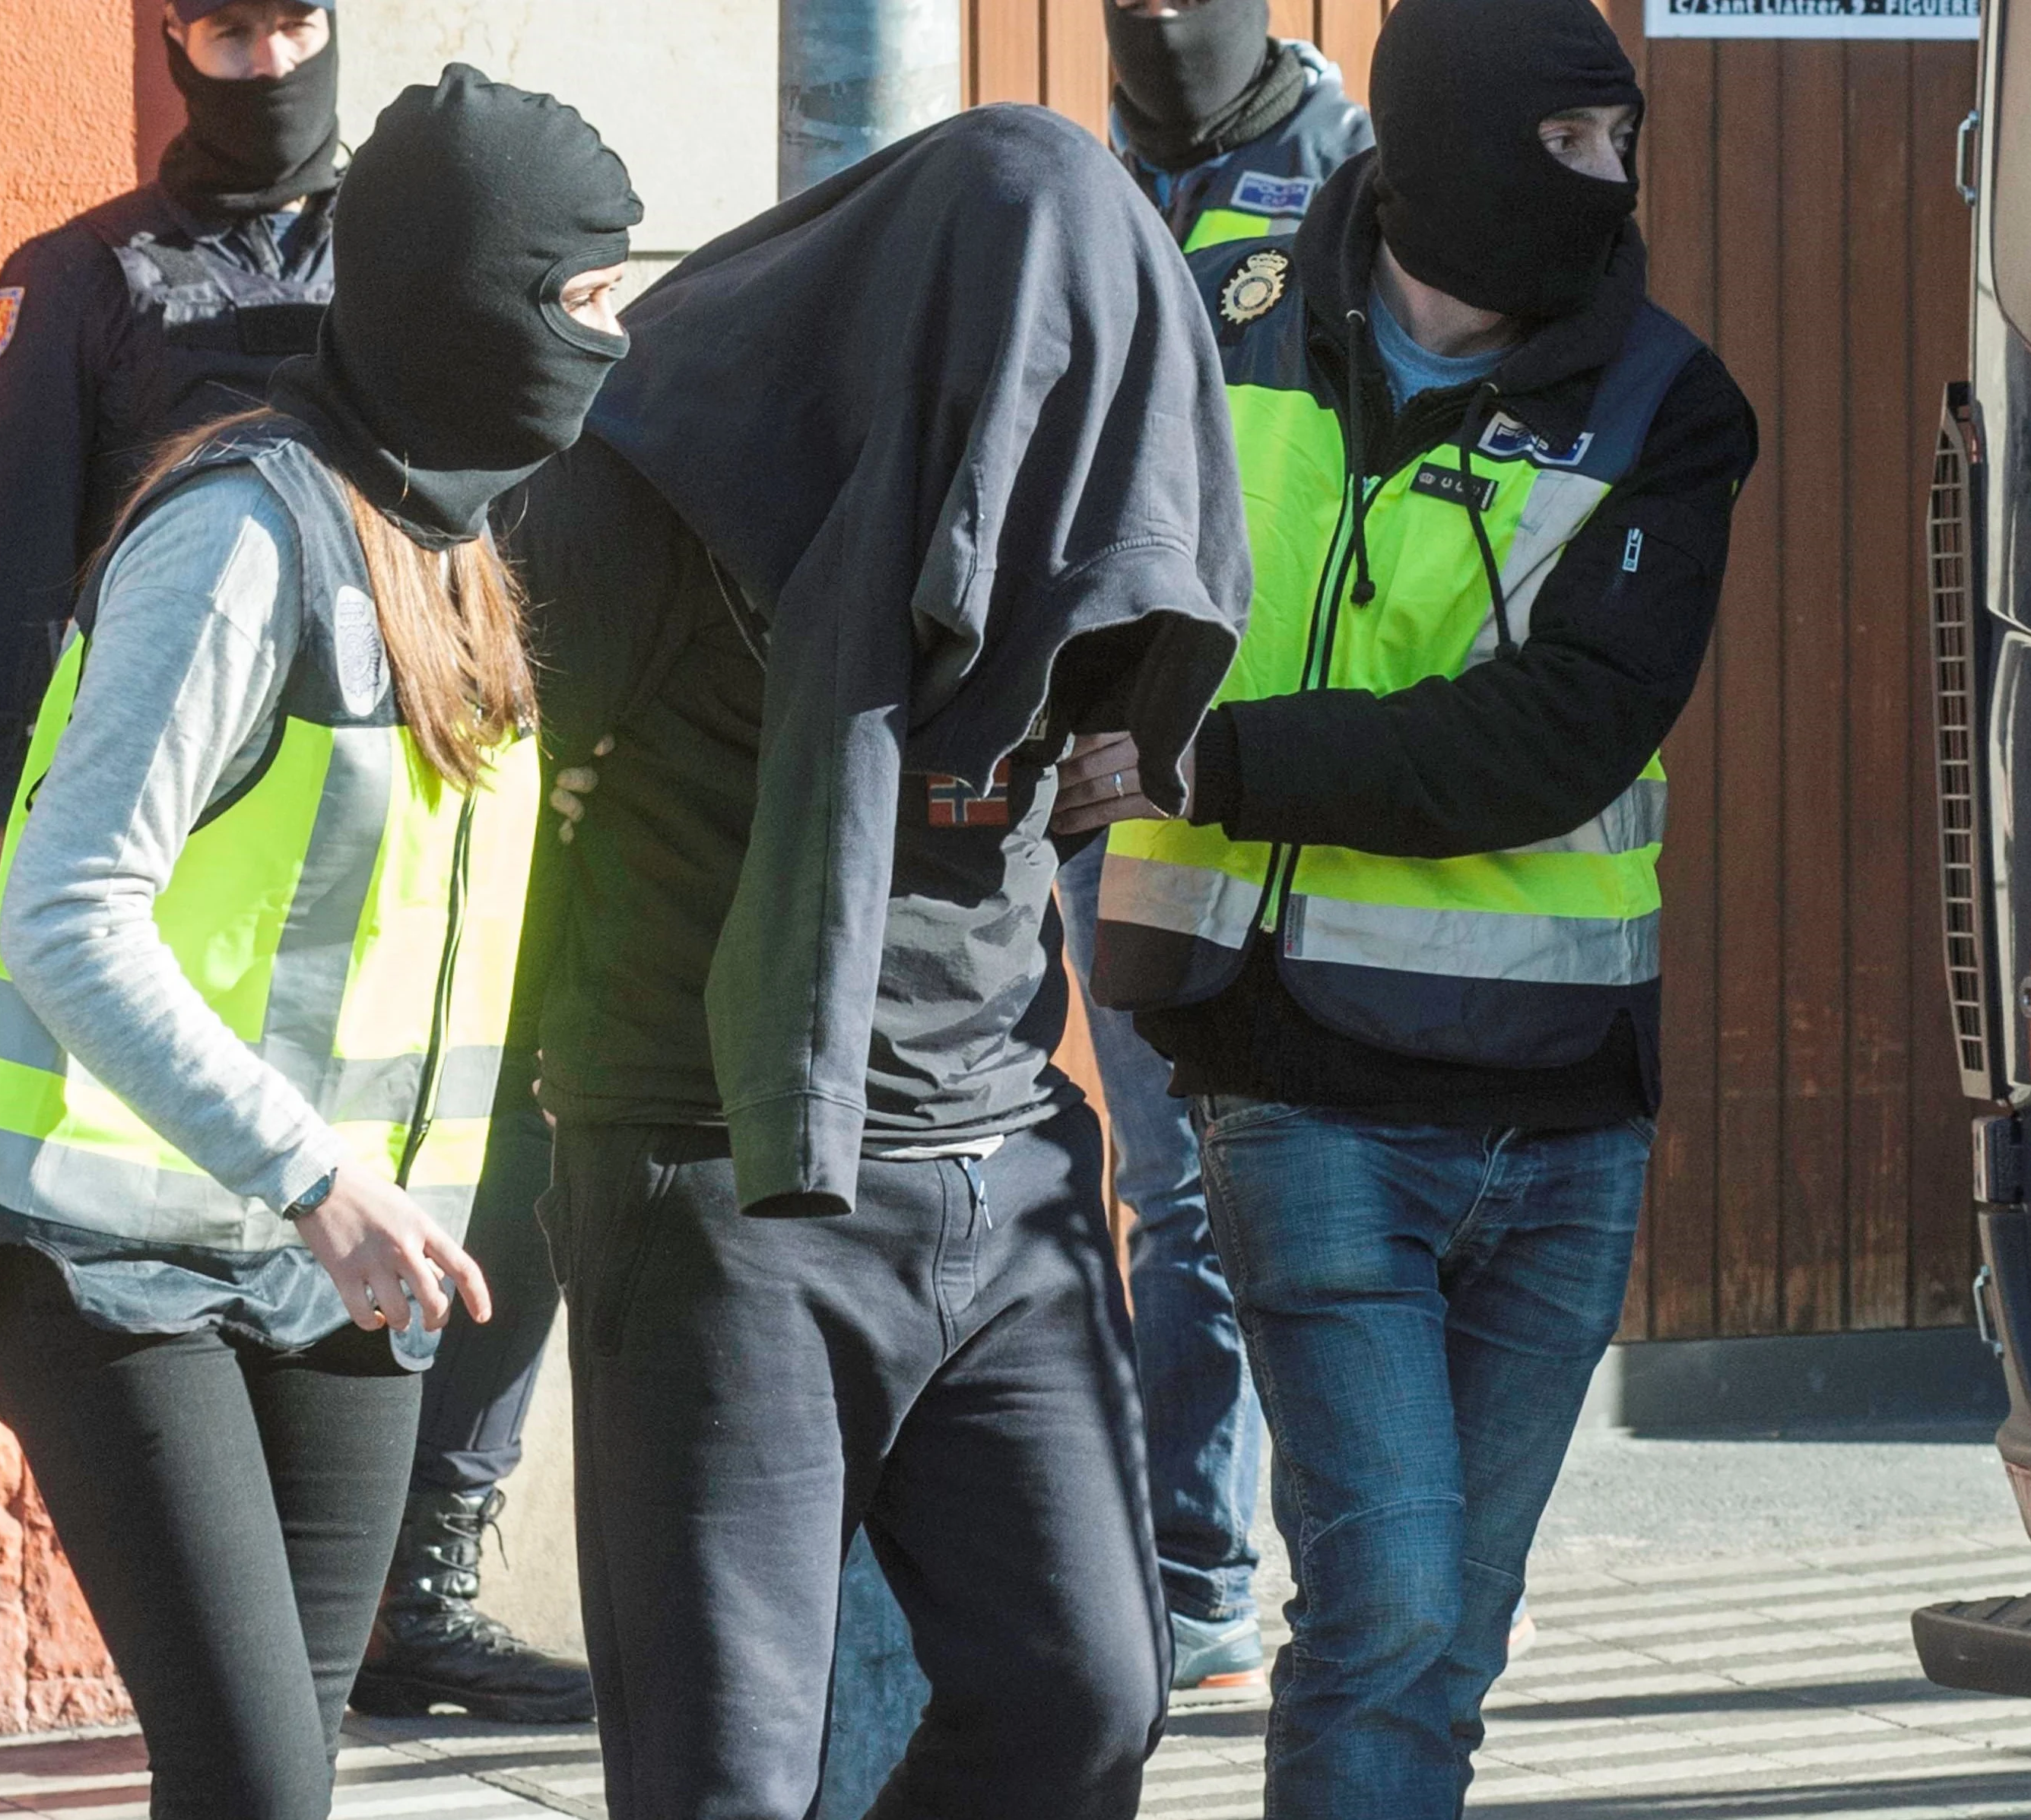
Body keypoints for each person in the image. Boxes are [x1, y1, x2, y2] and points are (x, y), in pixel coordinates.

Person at [0, 68, 640, 1819]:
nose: (617, 344)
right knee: (258, 1782)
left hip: (340, 1257)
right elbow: (65, 905)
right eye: (587, 300)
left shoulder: (461, 545)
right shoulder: (239, 536)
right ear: (465, 298)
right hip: (106, 1239)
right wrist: (318, 1178)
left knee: (283, 1776)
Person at [506, 106, 1249, 1820]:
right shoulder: (661, 464)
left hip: (998, 1159)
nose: (1056, 446)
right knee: (727, 1786)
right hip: (717, 1180)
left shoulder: (1077, 487)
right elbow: (475, 772)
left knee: (1085, 1700)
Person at [1080, 0, 1758, 1806]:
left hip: (1562, 1113)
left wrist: (1212, 764)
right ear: (1451, 142)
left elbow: (1547, 740)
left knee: (1450, 1639)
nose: (1616, 187)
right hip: (1296, 1081)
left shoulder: (1669, 409)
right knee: (1385, 1609)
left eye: (1625, 146)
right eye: (1574, 147)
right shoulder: (1208, 316)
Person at [1056, 0, 1372, 1704]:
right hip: (1105, 769)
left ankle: (1317, 1566)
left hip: (1281, 773)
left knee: (1294, 1176)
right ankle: (1202, 1580)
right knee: (1172, 1184)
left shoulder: (1354, 181)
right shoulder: (1074, 181)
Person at [0, 0, 344, 861]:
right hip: (160, 773)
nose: (271, 63)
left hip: (366, 746)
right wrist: (7, 793)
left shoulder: (405, 255)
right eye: (231, 35)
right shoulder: (78, 274)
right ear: (176, 45)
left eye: (296, 26)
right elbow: (10, 552)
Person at [1105, 0, 1371, 251]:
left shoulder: (1352, 164)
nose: (1161, 19)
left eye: (1187, 0)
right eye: (1136, 3)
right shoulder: (1096, 170)